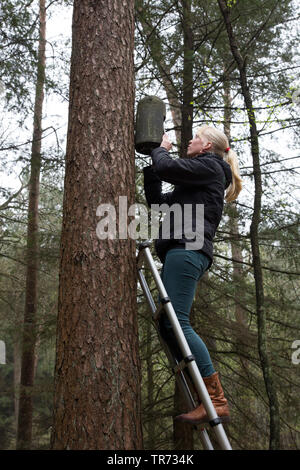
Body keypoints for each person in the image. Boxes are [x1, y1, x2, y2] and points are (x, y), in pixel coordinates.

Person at [142, 124, 242, 425]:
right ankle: (205, 395)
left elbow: (168, 166)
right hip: (181, 250)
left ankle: (215, 399)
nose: (190, 141)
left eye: (196, 137)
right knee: (169, 327)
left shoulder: (210, 167)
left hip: (188, 249)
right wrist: (152, 169)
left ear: (208, 146)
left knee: (179, 323)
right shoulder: (194, 185)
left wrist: (159, 150)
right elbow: (159, 205)